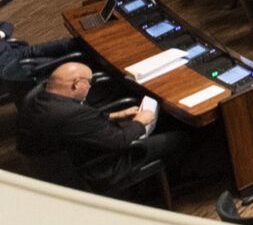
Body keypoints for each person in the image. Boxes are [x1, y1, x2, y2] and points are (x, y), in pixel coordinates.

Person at [17, 62, 189, 194]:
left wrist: (116, 115)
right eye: (88, 83)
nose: (89, 87)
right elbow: (119, 141)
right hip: (98, 169)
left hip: (63, 163)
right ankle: (177, 182)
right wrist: (139, 121)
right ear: (76, 84)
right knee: (182, 136)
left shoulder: (38, 99)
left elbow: (74, 126)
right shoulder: (74, 114)